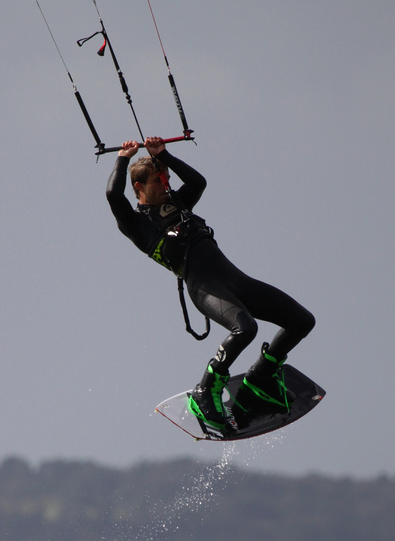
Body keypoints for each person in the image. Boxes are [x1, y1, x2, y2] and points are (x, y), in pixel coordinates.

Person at [106, 136, 315, 432]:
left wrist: (164, 155)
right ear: (139, 187)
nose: (165, 184)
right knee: (246, 329)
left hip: (235, 280)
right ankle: (206, 388)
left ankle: (260, 379)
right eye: (157, 180)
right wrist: (123, 158)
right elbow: (113, 195)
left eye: (165, 178)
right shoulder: (136, 225)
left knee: (302, 321)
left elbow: (198, 182)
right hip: (205, 288)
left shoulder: (178, 202)